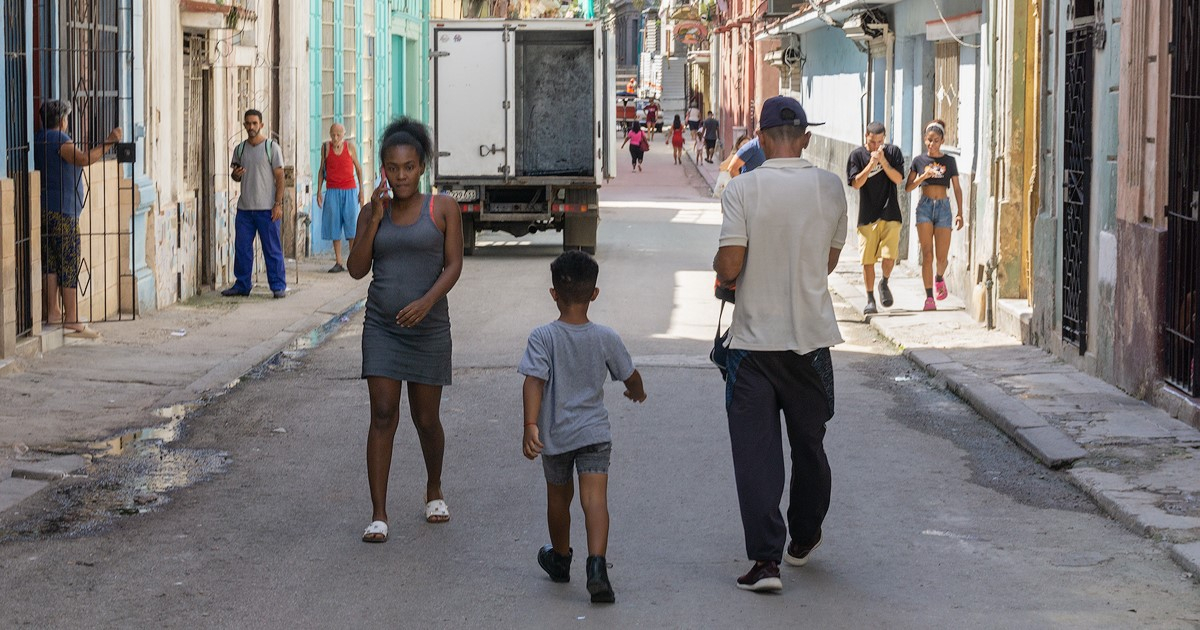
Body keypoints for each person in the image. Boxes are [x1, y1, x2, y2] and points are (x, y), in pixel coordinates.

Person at [713, 96, 846, 593]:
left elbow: (729, 266)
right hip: (811, 344)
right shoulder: (832, 188)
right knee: (809, 445)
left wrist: (723, 273)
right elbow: (828, 263)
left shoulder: (743, 189)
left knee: (756, 453)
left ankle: (765, 562)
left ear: (762, 140)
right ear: (806, 138)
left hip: (752, 345)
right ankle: (805, 536)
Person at [347, 117, 464, 543]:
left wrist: (427, 301)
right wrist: (376, 219)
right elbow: (357, 269)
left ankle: (434, 487)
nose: (400, 176)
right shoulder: (371, 211)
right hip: (382, 326)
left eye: (409, 167)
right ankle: (379, 513)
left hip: (430, 328)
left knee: (426, 418)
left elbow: (454, 265)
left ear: (422, 167)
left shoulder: (442, 208)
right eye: (392, 168)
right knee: (382, 415)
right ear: (383, 169)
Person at [519, 250, 647, 604]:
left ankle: (561, 559)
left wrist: (531, 424)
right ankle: (597, 567)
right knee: (595, 499)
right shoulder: (605, 336)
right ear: (594, 294)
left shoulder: (542, 337)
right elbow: (629, 374)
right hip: (594, 434)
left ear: (553, 293)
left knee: (559, 498)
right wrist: (637, 391)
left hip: (555, 435)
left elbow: (533, 381)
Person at [33, 99, 122, 339]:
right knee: (69, 262)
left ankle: (52, 311)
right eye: (67, 119)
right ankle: (72, 318)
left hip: (44, 209)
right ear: (62, 120)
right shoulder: (60, 140)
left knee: (51, 263)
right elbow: (83, 159)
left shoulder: (39, 139)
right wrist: (109, 142)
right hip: (64, 212)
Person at [223, 109, 287, 299]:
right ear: (244, 125)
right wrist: (236, 175)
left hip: (267, 209)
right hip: (245, 209)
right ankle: (242, 284)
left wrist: (278, 204)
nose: (251, 127)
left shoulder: (271, 148)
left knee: (272, 249)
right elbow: (235, 175)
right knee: (242, 248)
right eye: (248, 123)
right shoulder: (240, 149)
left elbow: (280, 177)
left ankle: (277, 286)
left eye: (254, 123)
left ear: (261, 125)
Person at [904, 119, 964, 311]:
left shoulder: (949, 161)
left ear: (942, 140)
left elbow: (956, 188)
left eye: (936, 140)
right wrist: (923, 176)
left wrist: (960, 213)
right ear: (924, 140)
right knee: (927, 255)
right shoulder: (919, 161)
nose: (932, 144)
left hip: (944, 208)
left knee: (942, 258)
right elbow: (908, 187)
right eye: (929, 140)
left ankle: (939, 277)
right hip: (925, 207)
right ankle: (929, 297)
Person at [847, 121, 905, 315]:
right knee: (867, 261)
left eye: (880, 142)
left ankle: (884, 282)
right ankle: (870, 298)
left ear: (884, 139)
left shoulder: (893, 153)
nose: (876, 146)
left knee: (889, 257)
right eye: (872, 142)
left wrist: (883, 162)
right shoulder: (857, 156)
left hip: (891, 213)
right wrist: (871, 164)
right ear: (866, 137)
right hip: (867, 215)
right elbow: (856, 184)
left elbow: (898, 179)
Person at [315, 123, 365, 273]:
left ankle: (352, 260)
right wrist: (318, 191)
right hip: (332, 191)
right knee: (334, 226)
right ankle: (338, 261)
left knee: (351, 227)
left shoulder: (350, 148)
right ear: (330, 134)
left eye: (338, 135)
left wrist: (361, 191)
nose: (335, 138)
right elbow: (321, 170)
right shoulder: (325, 148)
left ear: (343, 135)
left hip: (349, 190)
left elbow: (359, 169)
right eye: (333, 134)